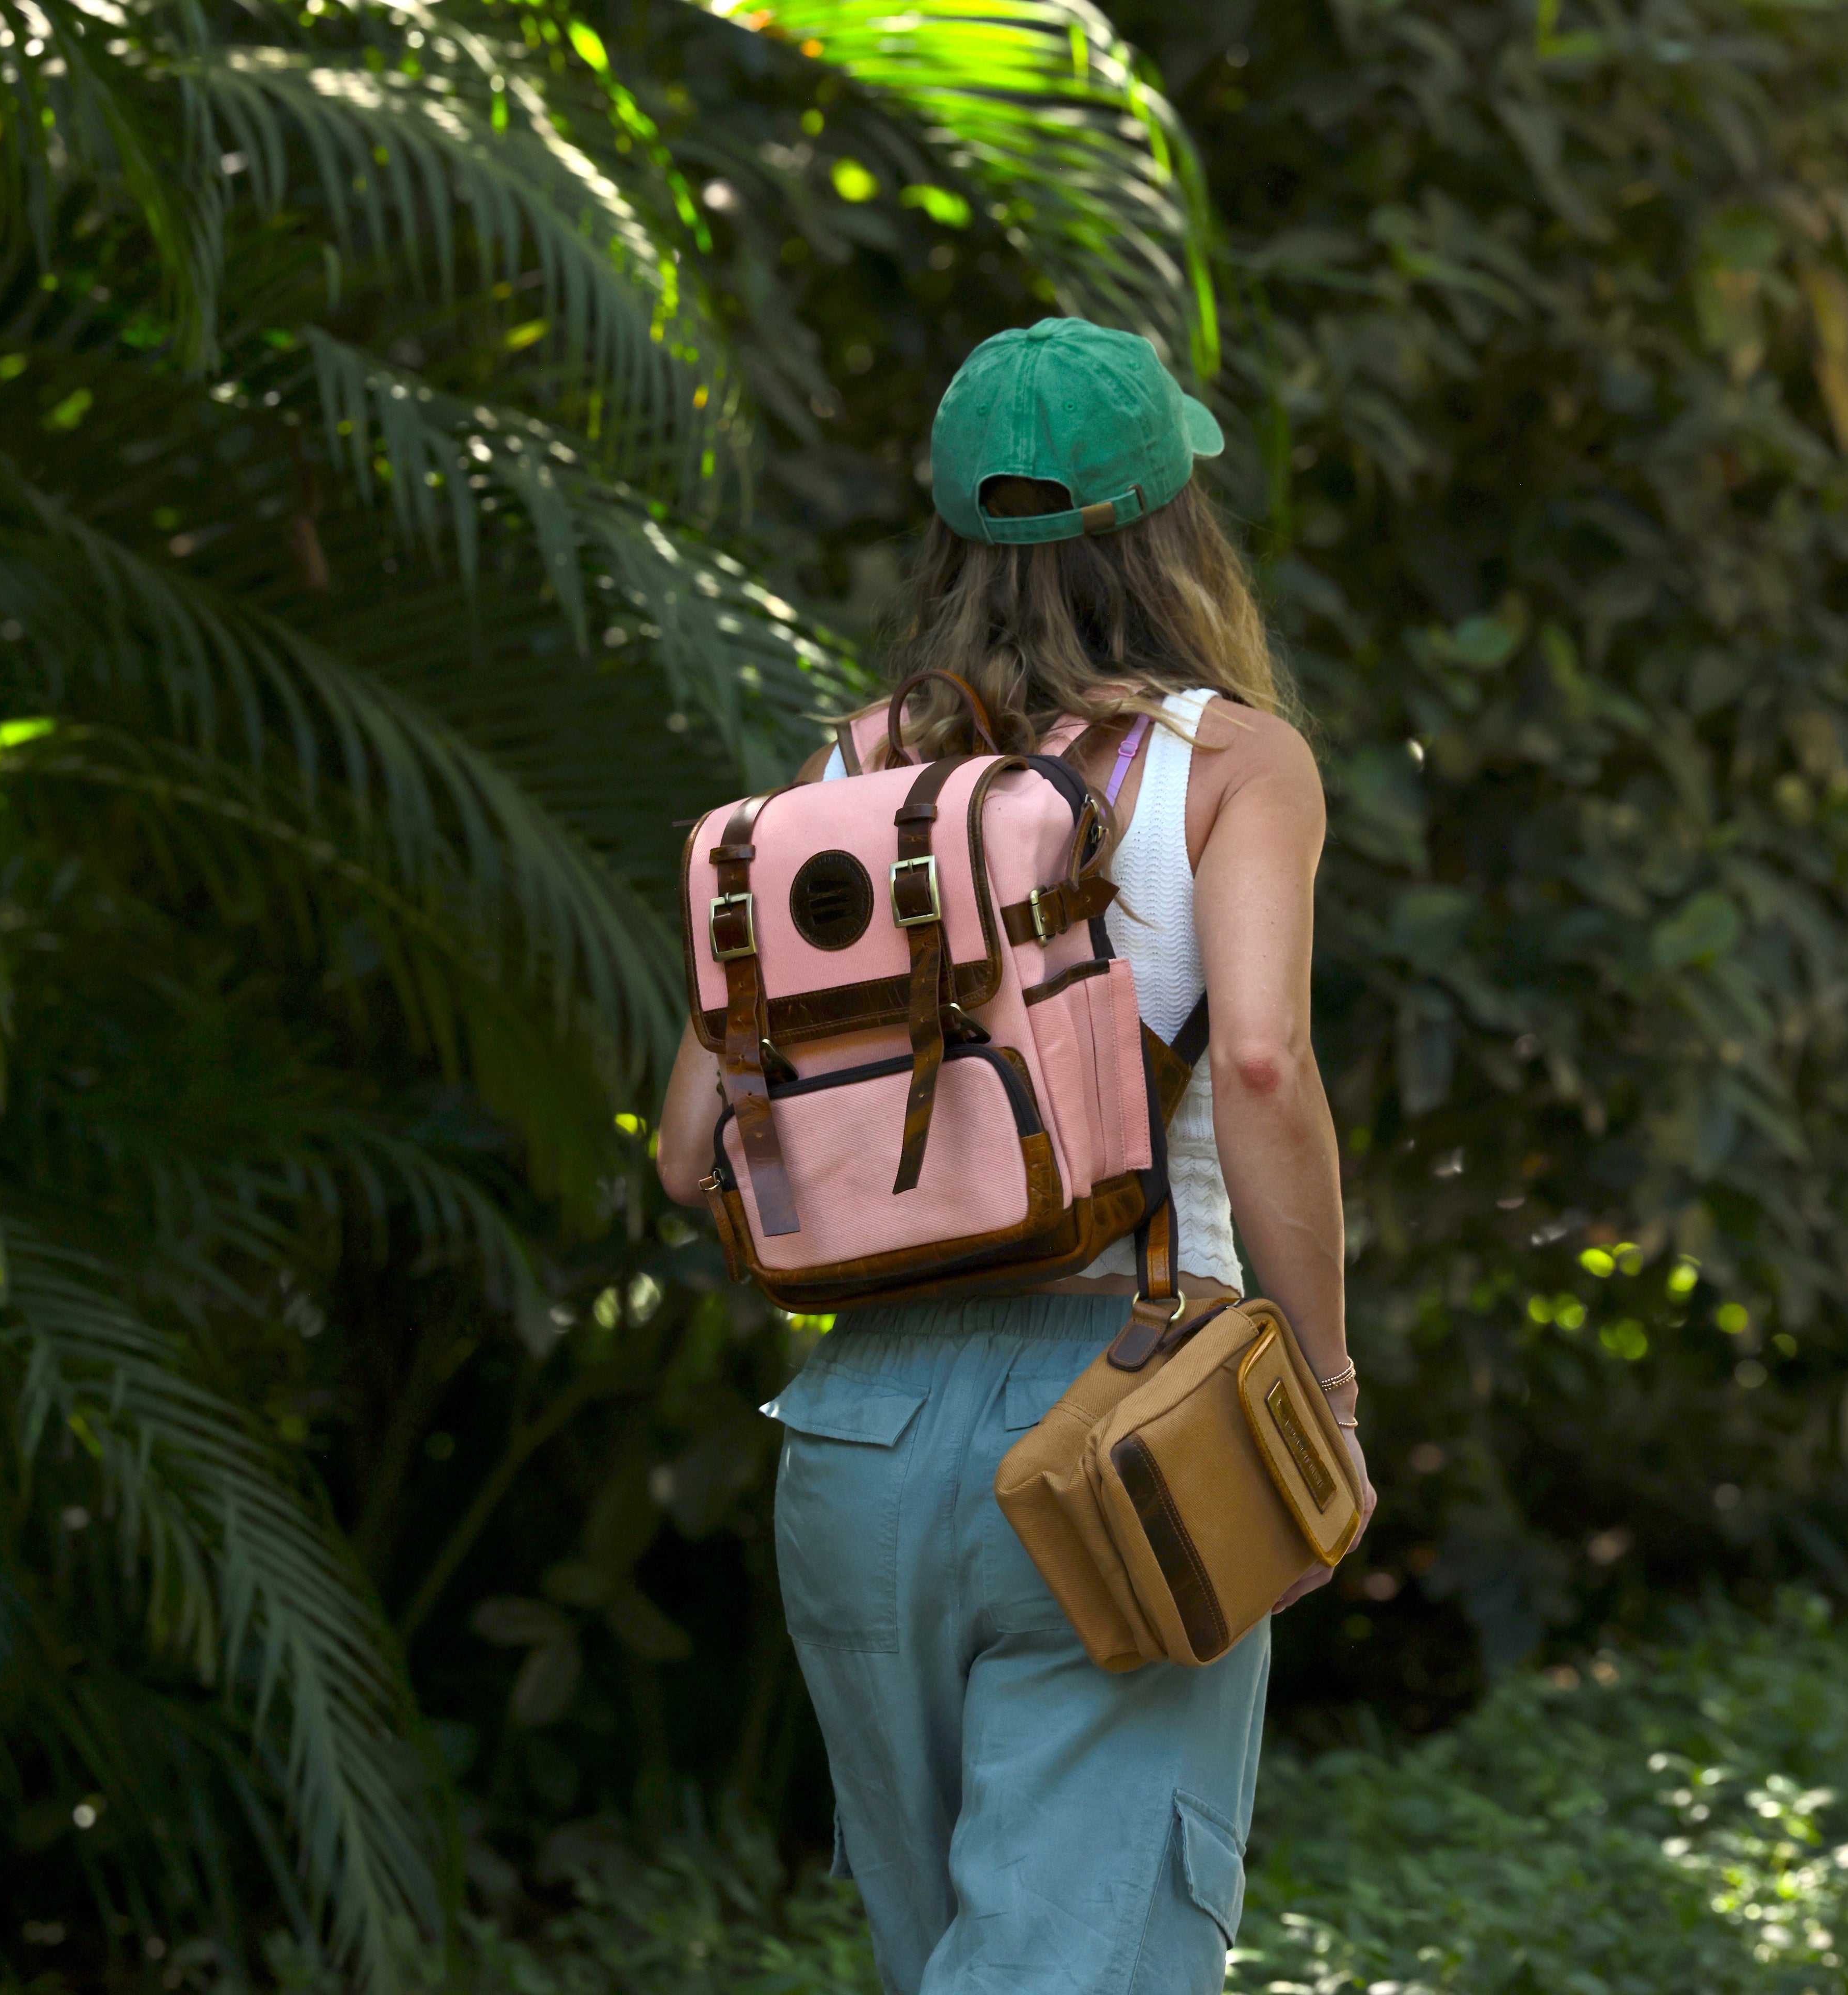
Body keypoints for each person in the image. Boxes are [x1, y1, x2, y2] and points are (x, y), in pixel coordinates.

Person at [658, 317, 1373, 1995]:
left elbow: (694, 1139)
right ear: (1169, 525)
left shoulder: (848, 775)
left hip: (854, 1438)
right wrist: (1320, 1387)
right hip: (1127, 1418)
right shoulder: (1230, 760)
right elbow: (1259, 1060)